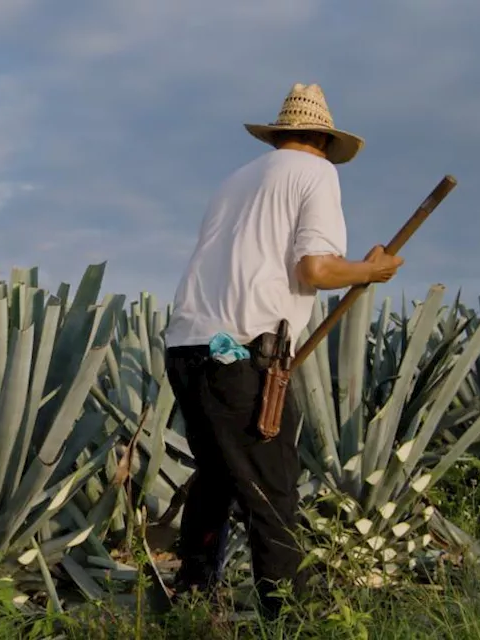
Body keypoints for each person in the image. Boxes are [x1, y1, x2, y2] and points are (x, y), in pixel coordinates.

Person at [162, 82, 404, 619]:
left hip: (186, 345)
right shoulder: (317, 173)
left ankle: (194, 600)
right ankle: (289, 619)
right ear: (323, 138)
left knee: (218, 474)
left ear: (280, 135)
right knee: (271, 491)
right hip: (243, 352)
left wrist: (361, 269)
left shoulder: (236, 181)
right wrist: (373, 270)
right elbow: (314, 270)